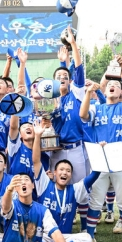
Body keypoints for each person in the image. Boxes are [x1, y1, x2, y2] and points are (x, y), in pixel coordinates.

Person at [79, 54, 122, 242]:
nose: (114, 86)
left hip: (120, 159)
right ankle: (90, 236)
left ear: (121, 92)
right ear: (105, 89)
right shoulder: (98, 107)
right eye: (111, 85)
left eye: (118, 86)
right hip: (100, 158)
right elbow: (83, 114)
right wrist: (88, 93)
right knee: (95, 198)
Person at [31, 121, 97, 242]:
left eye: (68, 171)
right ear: (54, 173)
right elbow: (36, 161)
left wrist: (99, 152)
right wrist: (37, 136)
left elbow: (95, 174)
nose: (64, 173)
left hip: (65, 236)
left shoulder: (75, 189)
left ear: (71, 175)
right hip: (45, 236)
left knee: (87, 239)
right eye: (61, 169)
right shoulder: (44, 184)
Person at [0, 174, 75, 242]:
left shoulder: (42, 210)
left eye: (26, 180)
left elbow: (55, 232)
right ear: (15, 188)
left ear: (33, 185)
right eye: (19, 182)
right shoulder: (13, 205)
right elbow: (5, 207)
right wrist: (9, 191)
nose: (23, 183)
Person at [49, 27, 87, 183]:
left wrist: (73, 45)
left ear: (70, 81)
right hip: (56, 149)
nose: (62, 78)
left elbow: (78, 69)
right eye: (58, 76)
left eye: (65, 76)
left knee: (80, 189)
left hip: (75, 148)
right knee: (56, 186)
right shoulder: (50, 100)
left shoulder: (76, 94)